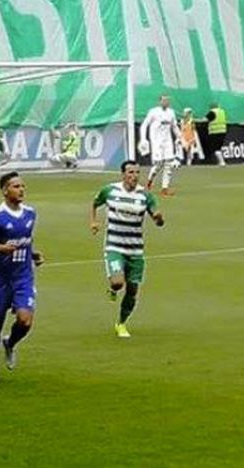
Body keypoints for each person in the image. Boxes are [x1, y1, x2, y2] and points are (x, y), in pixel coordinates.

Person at [0, 171, 42, 385]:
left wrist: (33, 254)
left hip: (23, 277)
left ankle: (10, 343)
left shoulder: (31, 213)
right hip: (1, 280)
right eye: (16, 186)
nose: (21, 190)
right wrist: (0, 248)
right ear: (5, 190)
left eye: (23, 186)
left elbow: (25, 240)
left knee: (25, 321)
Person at [90, 161, 165, 339]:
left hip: (135, 250)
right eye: (130, 172)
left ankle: (121, 323)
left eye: (137, 172)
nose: (134, 176)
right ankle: (113, 289)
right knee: (118, 282)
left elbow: (158, 220)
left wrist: (159, 218)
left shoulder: (145, 196)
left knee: (132, 289)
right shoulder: (110, 191)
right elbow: (95, 203)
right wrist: (93, 221)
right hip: (114, 246)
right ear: (123, 174)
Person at [141, 94, 178, 192]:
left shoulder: (171, 112)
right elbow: (144, 125)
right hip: (156, 142)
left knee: (168, 164)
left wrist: (179, 137)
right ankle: (149, 180)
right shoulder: (153, 112)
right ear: (160, 101)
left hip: (168, 142)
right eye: (164, 100)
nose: (166, 102)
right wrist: (143, 139)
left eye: (167, 100)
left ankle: (165, 188)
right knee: (158, 165)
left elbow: (174, 126)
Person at [205, 101, 229, 166]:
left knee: (215, 148)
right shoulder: (222, 111)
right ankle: (221, 161)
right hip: (223, 132)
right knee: (218, 147)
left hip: (214, 132)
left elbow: (205, 119)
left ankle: (222, 162)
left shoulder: (212, 112)